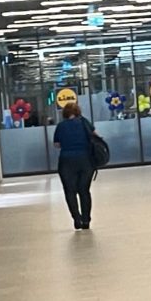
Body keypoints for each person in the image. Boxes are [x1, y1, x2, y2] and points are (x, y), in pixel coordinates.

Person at [50, 96, 98, 229]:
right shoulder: (84, 122)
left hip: (66, 161)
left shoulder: (61, 126)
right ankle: (86, 220)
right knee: (84, 190)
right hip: (85, 161)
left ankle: (77, 219)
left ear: (65, 113)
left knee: (70, 191)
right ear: (78, 111)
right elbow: (95, 135)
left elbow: (56, 144)